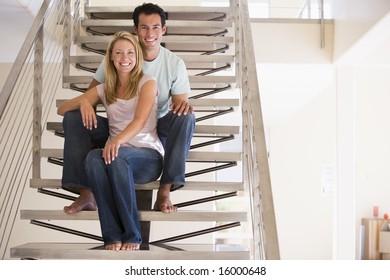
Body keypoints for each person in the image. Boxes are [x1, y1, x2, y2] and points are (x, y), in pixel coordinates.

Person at [59, 3, 195, 214]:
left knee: (186, 118)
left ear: (164, 30)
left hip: (155, 129)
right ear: (135, 29)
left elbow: (179, 104)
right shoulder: (120, 58)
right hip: (117, 126)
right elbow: (90, 96)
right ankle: (85, 192)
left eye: (155, 27)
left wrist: (183, 104)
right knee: (73, 117)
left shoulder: (174, 64)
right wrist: (85, 102)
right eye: (144, 27)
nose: (150, 33)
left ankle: (165, 190)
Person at [58, 31, 164, 250]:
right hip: (115, 154)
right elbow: (62, 109)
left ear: (137, 56)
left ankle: (133, 235)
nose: (125, 58)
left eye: (129, 53)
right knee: (92, 157)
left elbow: (139, 120)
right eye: (119, 53)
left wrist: (115, 142)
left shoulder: (148, 82)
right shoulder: (105, 88)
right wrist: (86, 102)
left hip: (147, 156)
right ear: (111, 58)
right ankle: (112, 236)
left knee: (115, 157)